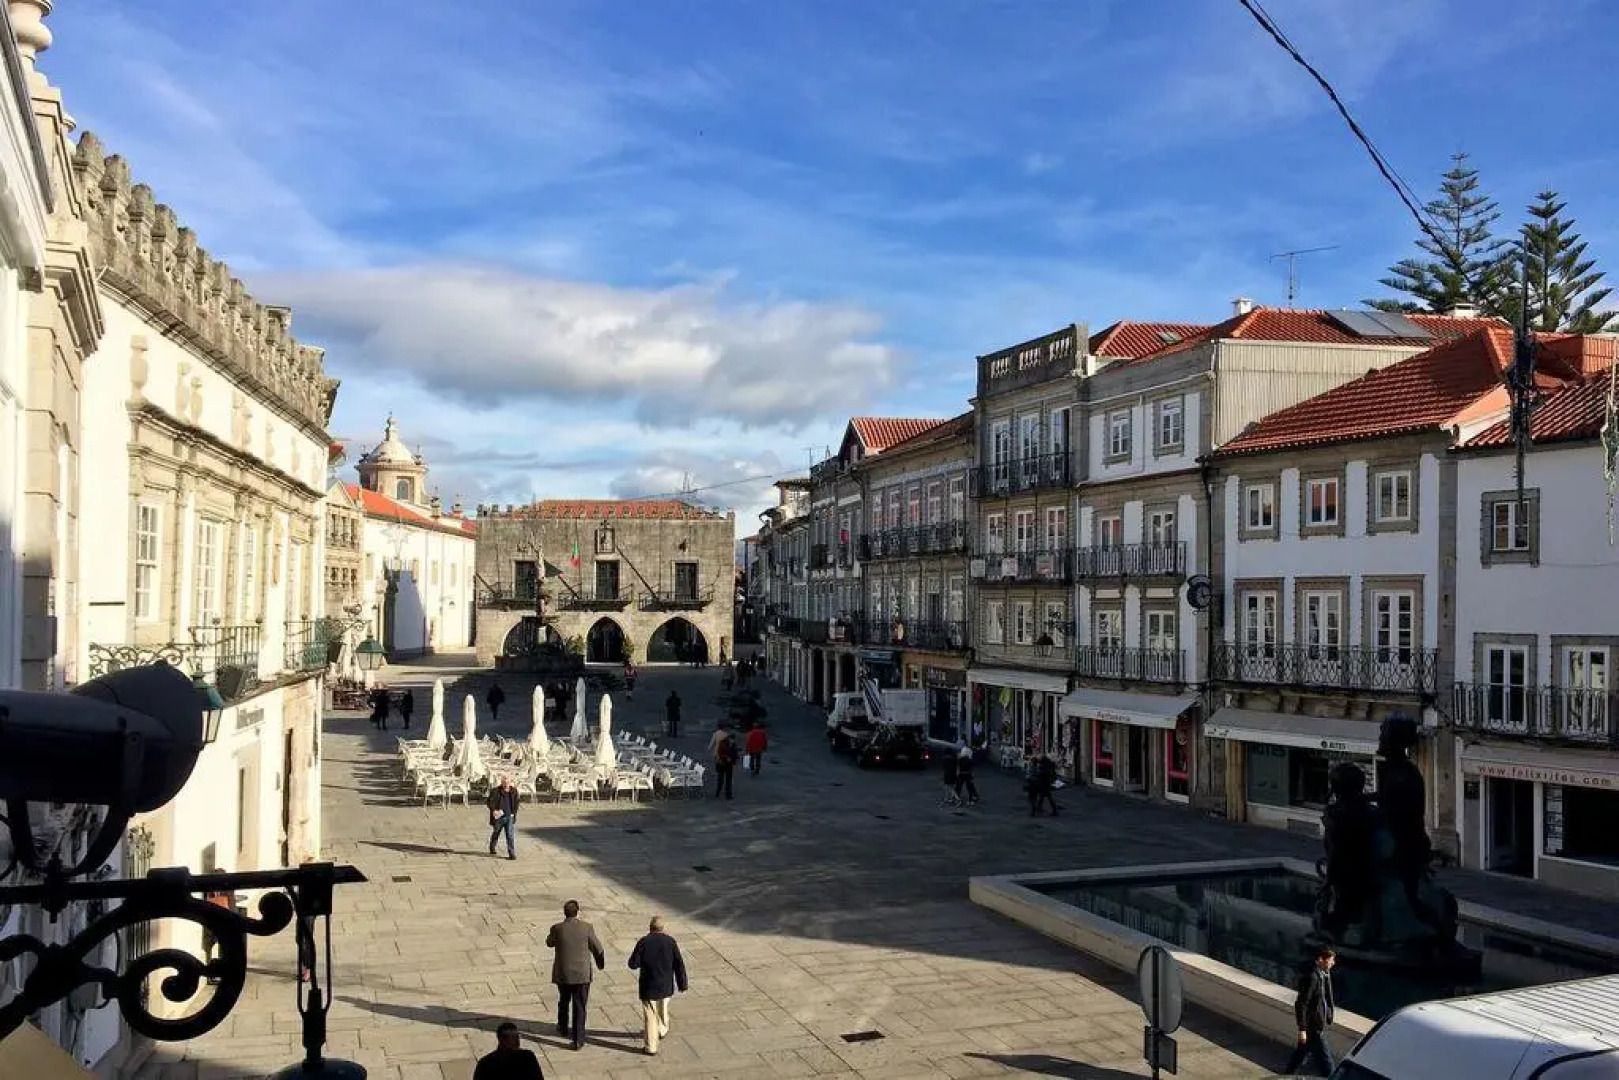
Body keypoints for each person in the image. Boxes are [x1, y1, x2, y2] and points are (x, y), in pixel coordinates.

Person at [546, 900, 605, 1051]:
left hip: (563, 973)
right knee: (579, 1006)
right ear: (578, 912)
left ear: (564, 913)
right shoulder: (587, 927)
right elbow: (598, 949)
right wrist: (600, 964)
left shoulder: (557, 928)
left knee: (564, 1000)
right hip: (581, 975)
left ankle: (562, 1026)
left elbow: (549, 943)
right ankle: (578, 1040)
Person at [627, 915, 689, 1056]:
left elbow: (633, 964)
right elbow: (679, 965)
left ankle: (651, 1046)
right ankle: (661, 1029)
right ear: (662, 928)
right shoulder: (670, 942)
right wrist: (682, 983)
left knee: (650, 1016)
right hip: (666, 985)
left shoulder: (643, 942)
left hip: (648, 986)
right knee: (663, 1009)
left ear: (650, 928)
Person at [1285, 946, 1337, 1076]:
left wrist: (1328, 1016)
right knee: (1327, 1064)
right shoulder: (1312, 978)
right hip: (1313, 1028)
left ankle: (1287, 1076)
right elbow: (1301, 1004)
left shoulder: (1323, 976)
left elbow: (1324, 999)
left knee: (1299, 1057)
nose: (1333, 963)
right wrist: (1302, 1029)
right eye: (1331, 960)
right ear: (1320, 960)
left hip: (1315, 1026)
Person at [473, 1022, 544, 1080]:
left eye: (517, 1036)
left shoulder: (528, 1057)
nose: (517, 1040)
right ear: (502, 1040)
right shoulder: (485, 1064)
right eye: (513, 1037)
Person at [486, 775, 519, 860]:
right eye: (504, 782)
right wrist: (494, 810)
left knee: (510, 835)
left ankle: (511, 853)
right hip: (499, 817)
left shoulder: (514, 791)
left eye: (507, 782)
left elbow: (516, 803)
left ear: (510, 782)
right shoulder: (495, 791)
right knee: (496, 832)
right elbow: (490, 802)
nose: (506, 784)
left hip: (509, 816)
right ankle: (492, 846)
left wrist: (513, 813)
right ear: (501, 782)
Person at [712, 730, 737, 799]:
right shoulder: (722, 743)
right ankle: (718, 791)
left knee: (728, 780)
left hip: (729, 764)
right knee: (721, 779)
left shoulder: (733, 744)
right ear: (728, 738)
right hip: (721, 764)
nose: (732, 741)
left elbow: (734, 753)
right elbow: (719, 753)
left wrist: (734, 759)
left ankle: (728, 794)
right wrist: (726, 757)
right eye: (731, 739)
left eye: (733, 740)